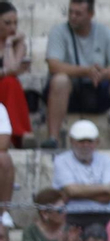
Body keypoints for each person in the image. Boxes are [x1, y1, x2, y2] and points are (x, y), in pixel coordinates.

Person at [45, 0, 110, 150]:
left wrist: (104, 73)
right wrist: (86, 71)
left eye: (78, 13)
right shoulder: (59, 31)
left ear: (90, 14)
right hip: (69, 91)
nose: (73, 17)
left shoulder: (104, 32)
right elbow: (53, 66)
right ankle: (53, 139)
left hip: (96, 89)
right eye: (70, 12)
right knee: (60, 80)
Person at [53, 120, 110, 231]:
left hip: (104, 214)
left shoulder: (106, 160)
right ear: (72, 141)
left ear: (97, 142)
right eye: (81, 141)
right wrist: (104, 188)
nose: (86, 145)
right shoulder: (61, 160)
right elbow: (71, 191)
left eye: (90, 141)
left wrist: (76, 193)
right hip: (73, 214)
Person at [0, 2, 31, 147]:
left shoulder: (18, 44)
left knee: (10, 82)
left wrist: (8, 44)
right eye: (7, 23)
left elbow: (11, 68)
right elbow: (11, 69)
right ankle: (17, 135)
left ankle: (16, 135)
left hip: (6, 89)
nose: (12, 28)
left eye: (15, 23)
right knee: (9, 82)